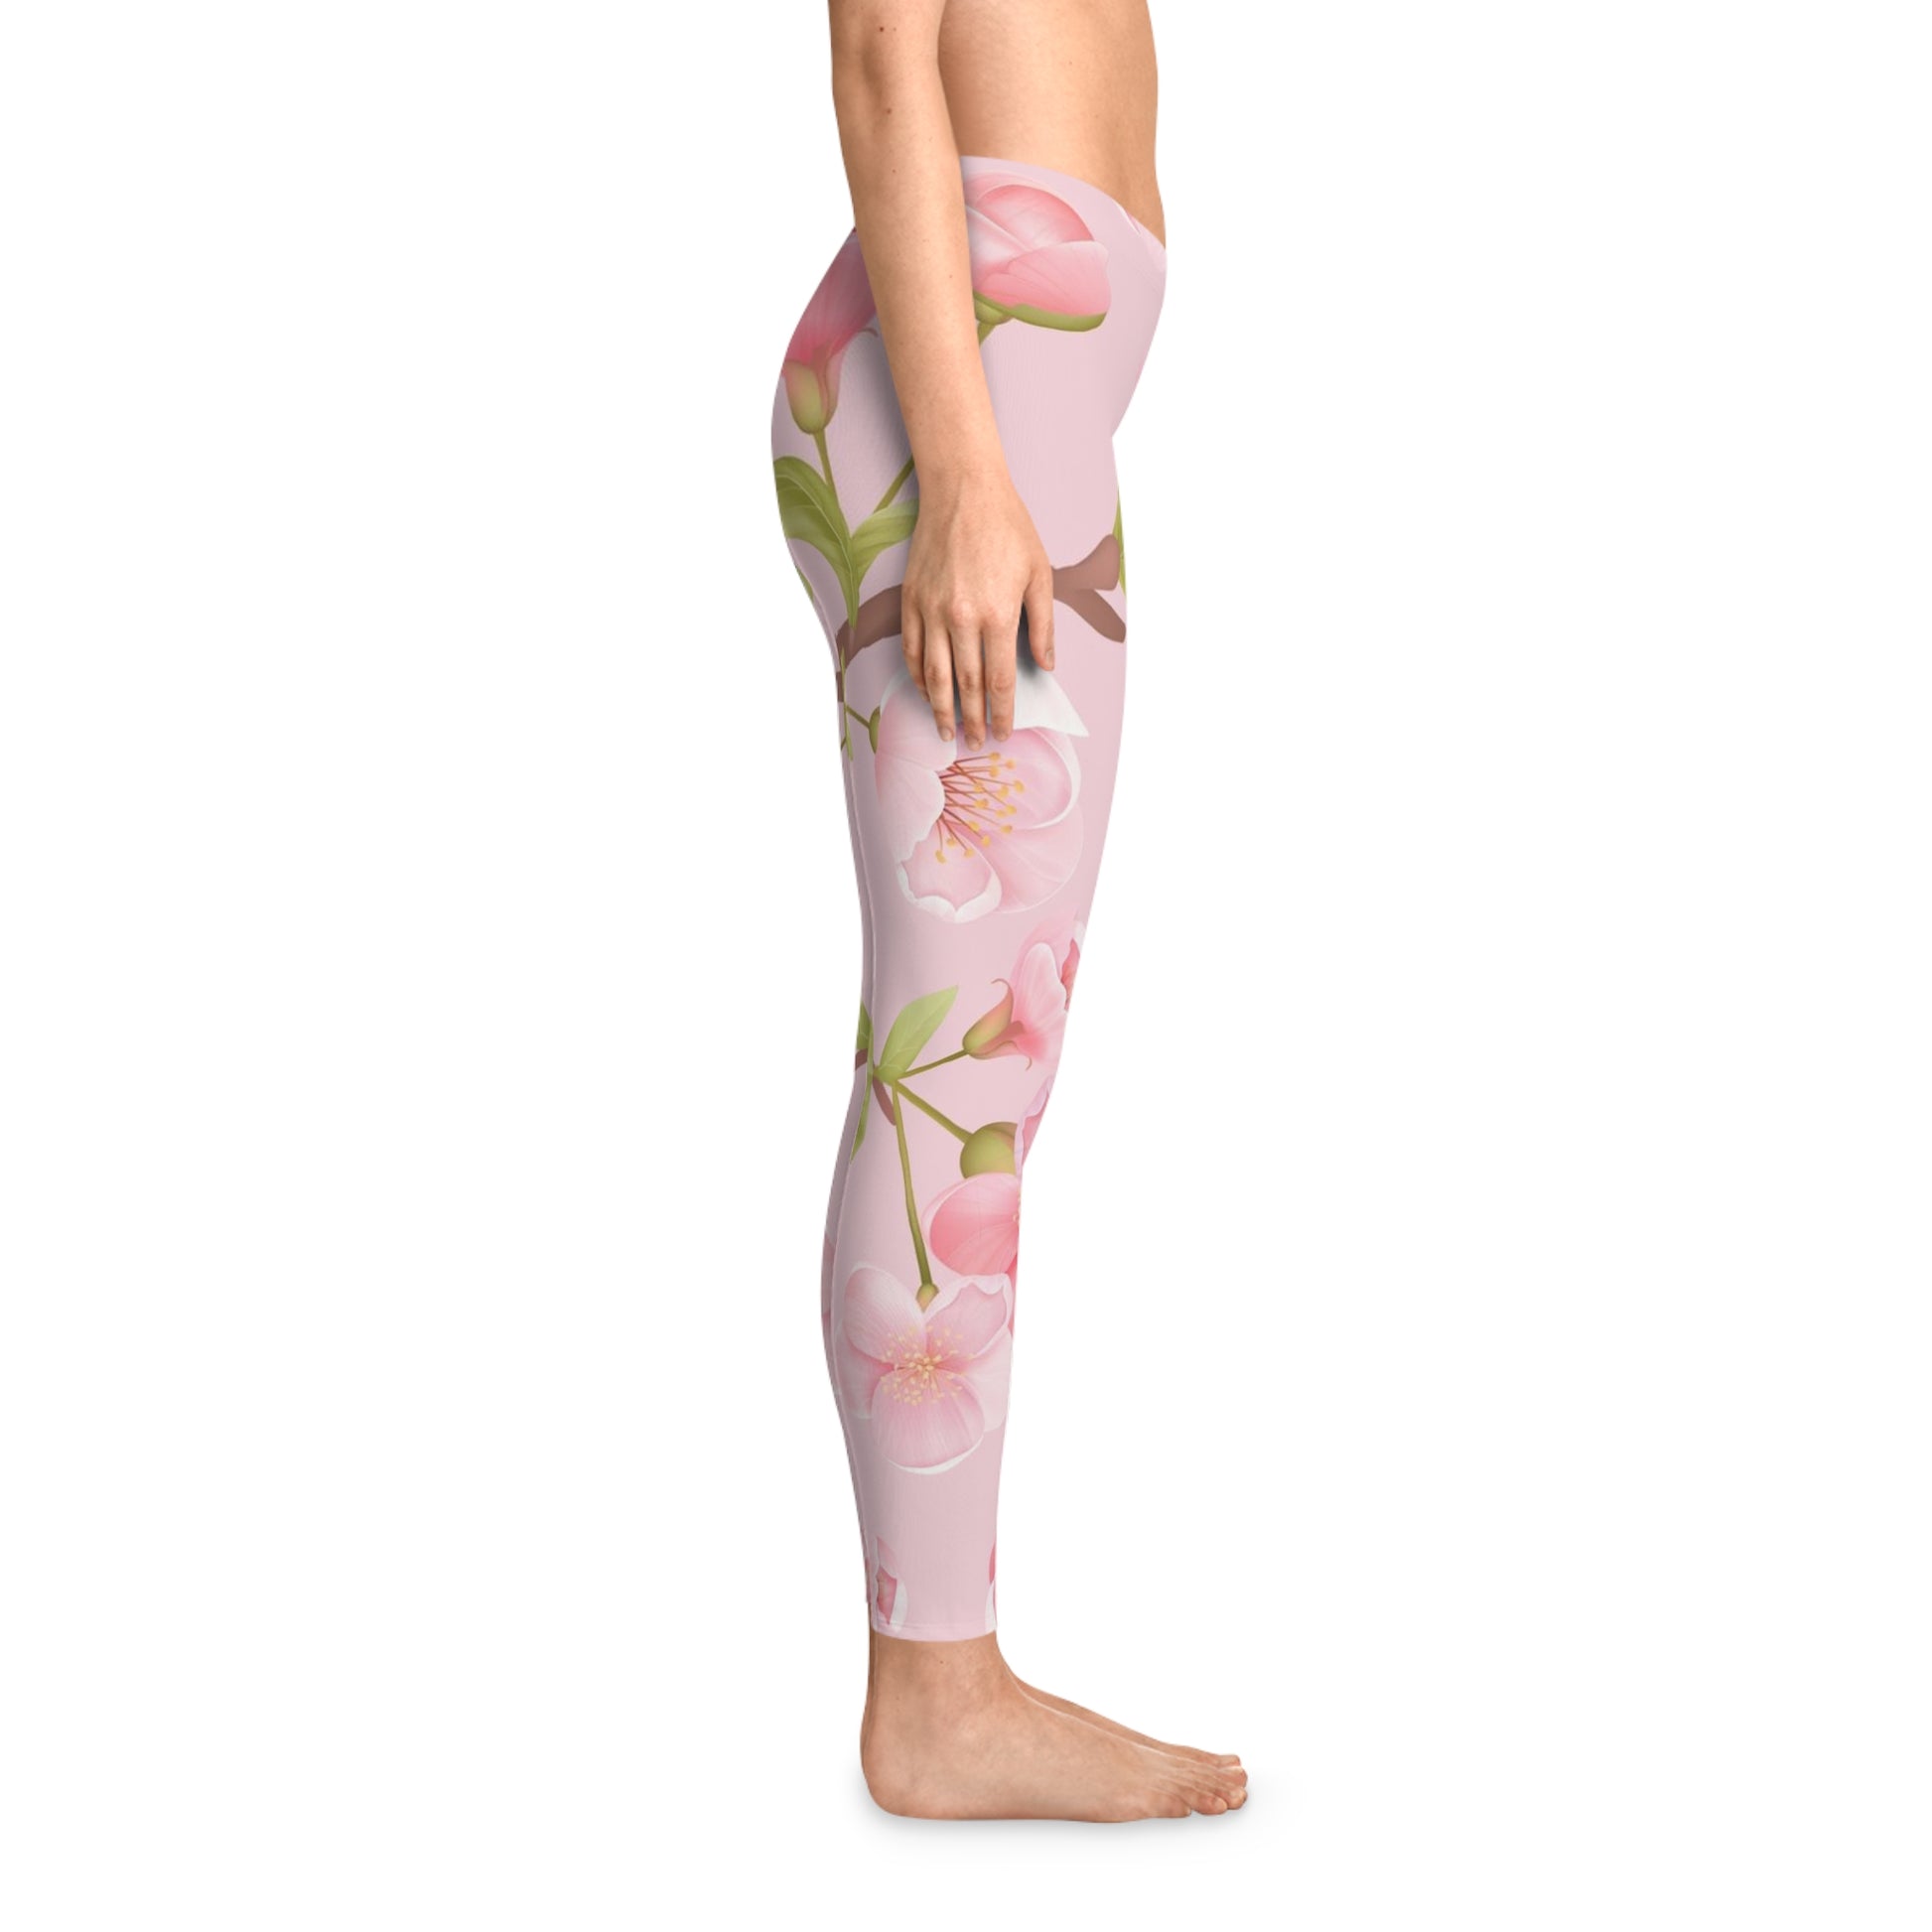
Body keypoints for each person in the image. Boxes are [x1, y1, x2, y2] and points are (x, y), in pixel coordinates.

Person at [771, 0, 1246, 1822]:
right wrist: (970, 474)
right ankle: (936, 1698)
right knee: (953, 1065)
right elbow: (878, 58)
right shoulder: (970, 441)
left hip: (1011, 371)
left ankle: (947, 1674)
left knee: (983, 1062)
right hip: (966, 390)